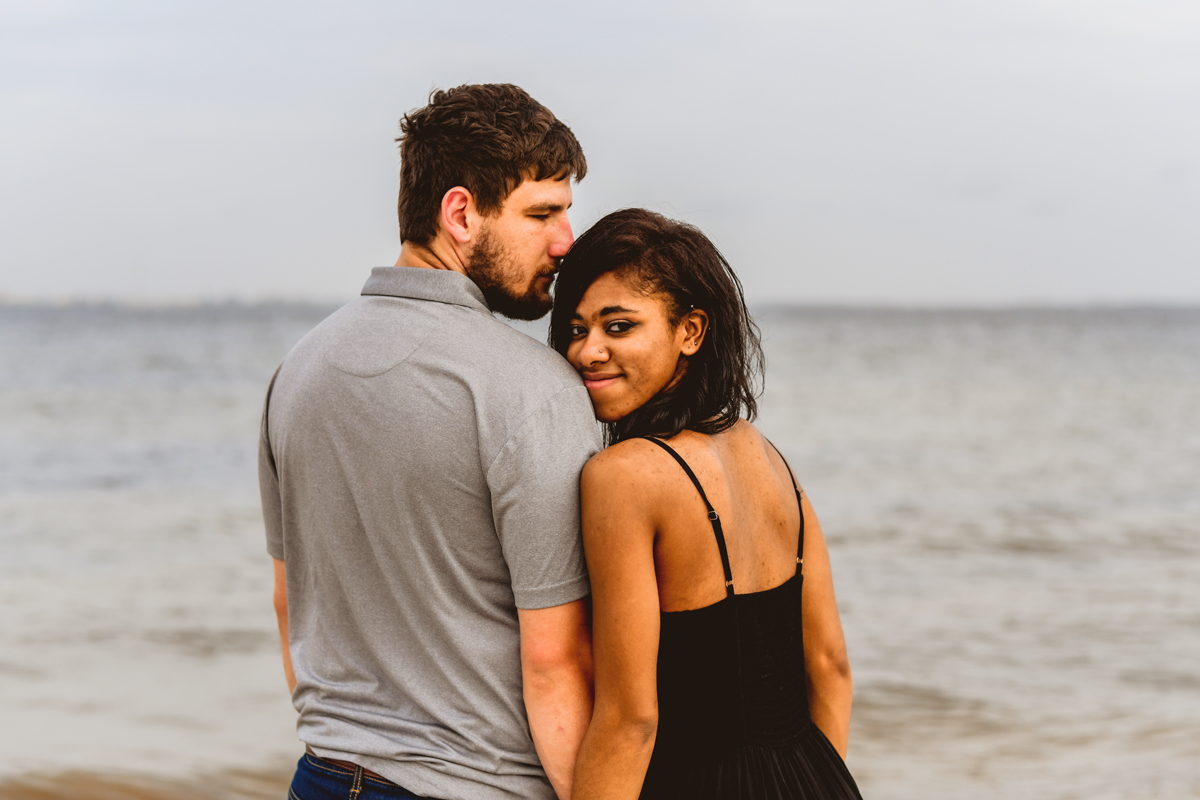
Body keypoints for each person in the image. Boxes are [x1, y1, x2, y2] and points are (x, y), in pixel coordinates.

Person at [259, 84, 600, 800]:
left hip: (320, 776)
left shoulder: (297, 371)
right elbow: (556, 661)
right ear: (460, 213)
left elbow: (289, 604)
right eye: (543, 214)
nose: (566, 242)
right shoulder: (533, 388)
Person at [549, 209, 863, 800]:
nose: (587, 352)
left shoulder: (622, 477)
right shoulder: (768, 456)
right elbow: (830, 665)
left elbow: (631, 719)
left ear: (690, 331)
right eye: (574, 328)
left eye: (618, 327)